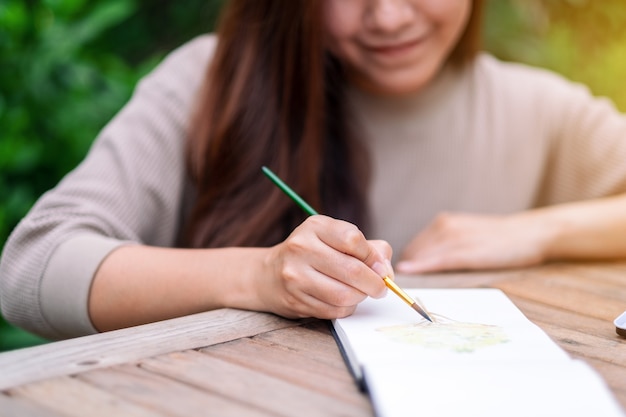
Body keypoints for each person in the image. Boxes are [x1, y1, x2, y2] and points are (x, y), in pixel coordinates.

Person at [2, 0, 626, 340]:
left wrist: (538, 230)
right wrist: (260, 274)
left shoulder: (537, 107)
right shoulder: (210, 83)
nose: (388, 16)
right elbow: (33, 266)